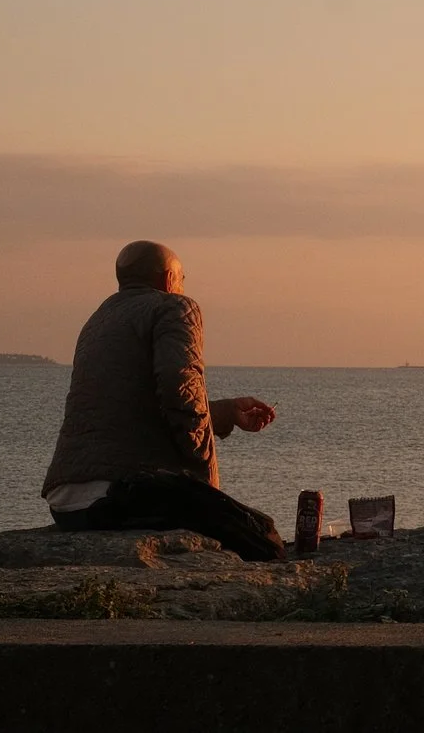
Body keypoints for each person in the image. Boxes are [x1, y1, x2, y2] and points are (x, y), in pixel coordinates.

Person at [41, 240, 288, 560]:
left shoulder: (99, 319)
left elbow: (140, 408)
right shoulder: (175, 307)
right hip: (120, 495)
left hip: (67, 506)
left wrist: (227, 413)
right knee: (262, 534)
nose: (183, 285)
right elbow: (179, 393)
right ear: (168, 278)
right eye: (183, 278)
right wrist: (206, 484)